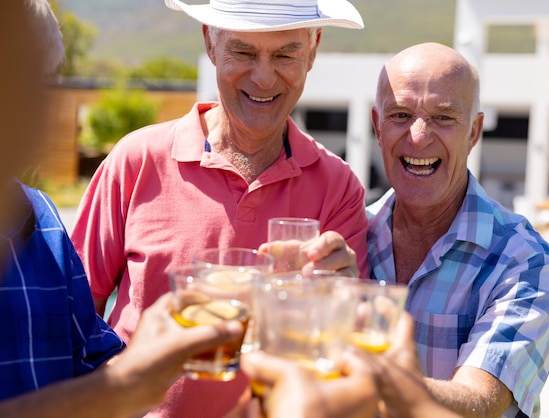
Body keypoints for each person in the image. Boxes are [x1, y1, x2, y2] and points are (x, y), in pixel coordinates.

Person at [70, 0, 369, 416]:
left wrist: (339, 302)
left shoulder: (338, 188)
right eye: (243, 52)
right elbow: (70, 320)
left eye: (285, 54)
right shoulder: (136, 160)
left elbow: (343, 365)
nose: (264, 77)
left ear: (313, 49)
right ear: (210, 42)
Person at [0, 1, 245, 417]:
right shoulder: (135, 159)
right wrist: (126, 386)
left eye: (43, 87)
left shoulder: (41, 219)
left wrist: (155, 355)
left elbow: (92, 361)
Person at [326, 43, 549, 417]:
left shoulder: (525, 263)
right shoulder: (350, 239)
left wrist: (363, 378)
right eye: (401, 115)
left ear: (474, 132)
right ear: (376, 126)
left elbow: (478, 405)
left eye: (443, 117)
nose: (419, 136)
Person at [238, 312, 462, 418]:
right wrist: (415, 406)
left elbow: (485, 399)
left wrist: (410, 402)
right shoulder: (373, 230)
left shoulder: (497, 259)